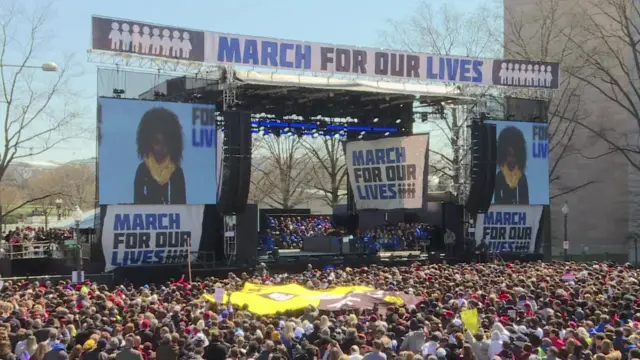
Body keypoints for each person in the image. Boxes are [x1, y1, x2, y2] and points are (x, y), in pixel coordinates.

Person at [133, 107, 186, 204]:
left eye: (165, 143)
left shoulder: (177, 172)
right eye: (157, 142)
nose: (161, 148)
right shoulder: (142, 170)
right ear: (148, 142)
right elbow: (137, 204)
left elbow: (182, 206)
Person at [494, 126, 529, 205]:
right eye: (509, 155)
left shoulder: (522, 177)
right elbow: (497, 200)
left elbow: (525, 202)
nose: (511, 160)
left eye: (514, 156)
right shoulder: (500, 176)